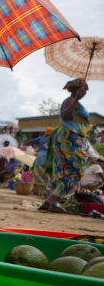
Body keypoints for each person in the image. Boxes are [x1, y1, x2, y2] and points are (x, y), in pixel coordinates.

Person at [45, 78, 90, 213]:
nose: (85, 92)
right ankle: (53, 199)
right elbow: (65, 116)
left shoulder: (75, 102)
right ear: (76, 89)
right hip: (70, 139)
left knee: (65, 170)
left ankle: (53, 200)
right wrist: (75, 98)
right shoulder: (70, 100)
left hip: (72, 138)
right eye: (83, 89)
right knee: (75, 170)